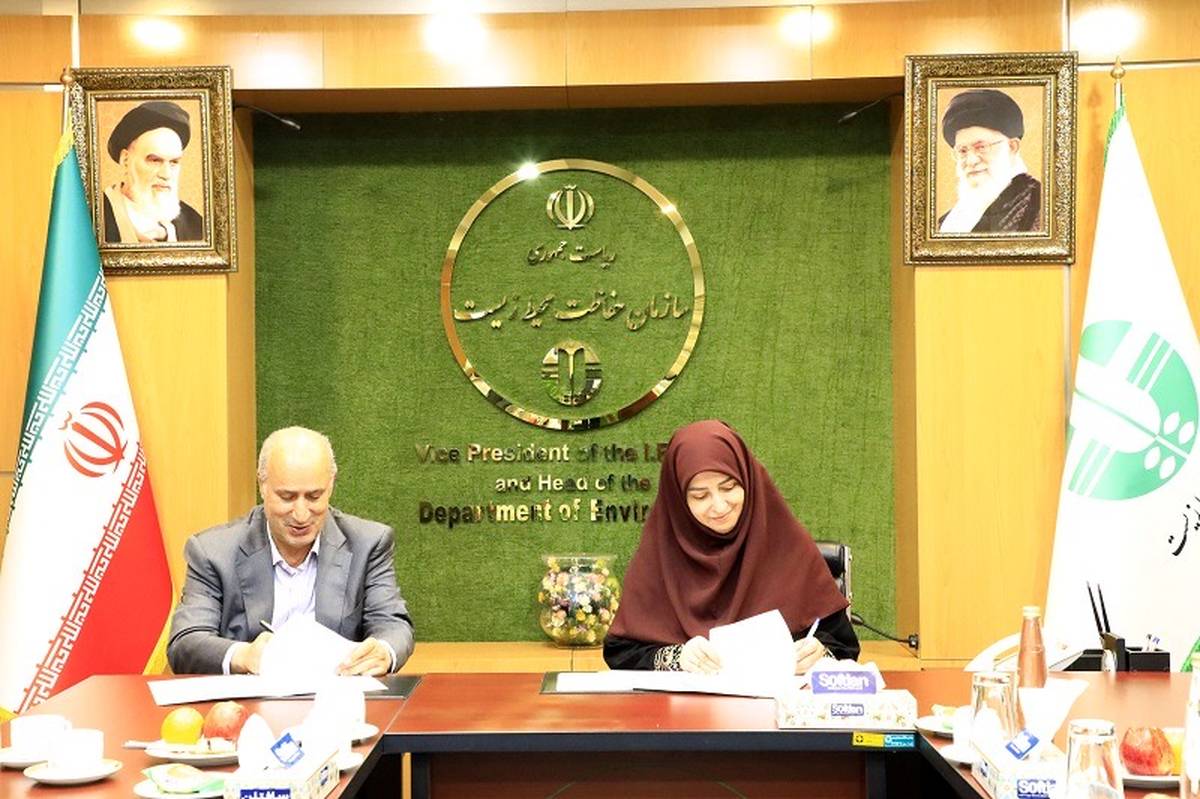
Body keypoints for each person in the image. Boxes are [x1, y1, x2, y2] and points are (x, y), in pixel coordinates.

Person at [603, 420, 859, 673]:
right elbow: (621, 652)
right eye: (700, 496)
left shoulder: (790, 549)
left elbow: (842, 646)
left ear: (748, 480)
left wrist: (818, 654)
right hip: (682, 701)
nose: (720, 506)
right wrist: (677, 658)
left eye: (729, 487)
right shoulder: (658, 558)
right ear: (678, 499)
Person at [167, 426, 414, 676]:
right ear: (262, 486)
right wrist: (244, 656)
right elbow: (185, 642)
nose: (301, 514)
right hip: (251, 697)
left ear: (330, 486)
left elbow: (393, 626)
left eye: (314, 496)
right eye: (287, 497)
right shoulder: (212, 552)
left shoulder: (367, 544)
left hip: (335, 694)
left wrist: (383, 652)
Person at [938, 88, 1042, 234]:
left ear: (1012, 147)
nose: (971, 161)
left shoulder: (1040, 205)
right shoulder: (947, 222)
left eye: (981, 147)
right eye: (962, 151)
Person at [102, 100, 204, 244]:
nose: (166, 174)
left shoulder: (195, 225)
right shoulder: (92, 218)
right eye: (155, 160)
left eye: (174, 162)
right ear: (125, 160)